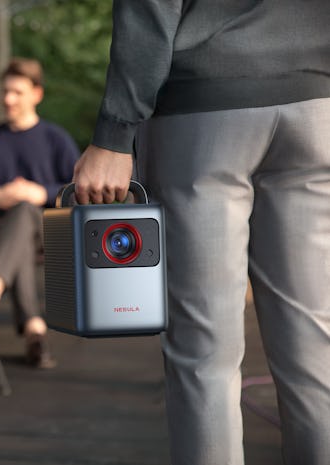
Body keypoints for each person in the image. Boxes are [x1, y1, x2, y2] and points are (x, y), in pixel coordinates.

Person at [72, 2, 330, 464]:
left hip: (203, 114)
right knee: (314, 345)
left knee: (204, 353)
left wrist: (114, 133)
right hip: (315, 107)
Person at [0, 57, 80, 368]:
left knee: (27, 210)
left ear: (36, 94)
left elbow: (79, 189)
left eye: (16, 92)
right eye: (4, 92)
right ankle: (34, 331)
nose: (7, 99)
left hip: (46, 231)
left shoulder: (55, 139)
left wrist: (42, 193)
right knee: (19, 234)